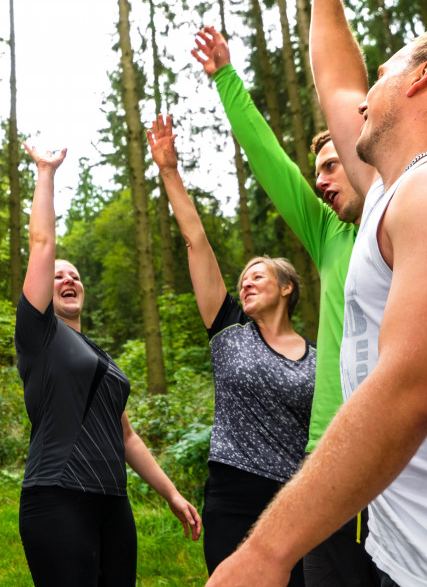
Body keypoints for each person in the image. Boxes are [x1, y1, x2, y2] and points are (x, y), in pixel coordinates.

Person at [205, 0, 427, 585]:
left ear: (424, 76)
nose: (364, 94)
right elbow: (336, 79)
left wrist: (266, 552)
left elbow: (409, 390)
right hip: (412, 559)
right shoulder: (393, 192)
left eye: (384, 74)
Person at [192, 26, 378, 586]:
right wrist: (225, 78)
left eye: (331, 165)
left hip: (405, 456)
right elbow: (268, 159)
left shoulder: (407, 216)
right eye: (316, 170)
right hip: (331, 461)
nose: (320, 181)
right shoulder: (329, 233)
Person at [14, 144, 201, 587]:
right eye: (58, 275)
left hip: (111, 500)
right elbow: (42, 243)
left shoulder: (99, 355)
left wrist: (171, 493)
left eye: (75, 275)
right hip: (58, 496)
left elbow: (126, 434)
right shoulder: (39, 336)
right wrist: (45, 174)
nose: (68, 279)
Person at [147, 115, 314, 584]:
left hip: (295, 500)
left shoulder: (320, 357)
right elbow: (196, 242)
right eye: (242, 278)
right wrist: (169, 171)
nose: (246, 280)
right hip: (233, 494)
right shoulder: (229, 331)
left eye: (258, 274)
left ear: (287, 289)